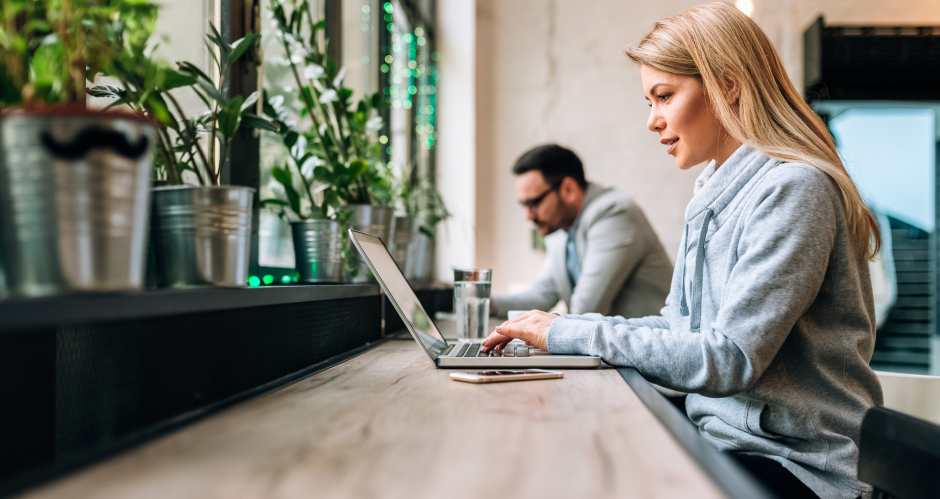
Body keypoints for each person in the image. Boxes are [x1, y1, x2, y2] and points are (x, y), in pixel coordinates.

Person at [482, 3, 883, 499]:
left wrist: (569, 332)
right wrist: (560, 328)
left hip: (798, 466)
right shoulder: (711, 192)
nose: (652, 121)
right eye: (649, 101)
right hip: (724, 441)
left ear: (727, 85)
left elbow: (730, 357)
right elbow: (678, 326)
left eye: (664, 96)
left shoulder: (794, 188)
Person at [490, 144, 673, 319]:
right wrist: (486, 303)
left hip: (653, 339)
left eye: (534, 203)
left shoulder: (613, 214)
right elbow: (542, 295)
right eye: (524, 205)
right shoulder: (561, 228)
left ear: (568, 189)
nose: (528, 216)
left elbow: (586, 310)